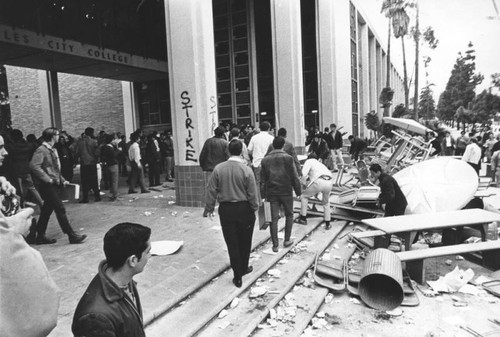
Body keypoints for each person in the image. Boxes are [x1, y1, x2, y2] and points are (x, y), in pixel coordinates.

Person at [72, 222, 151, 337]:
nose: (150, 256)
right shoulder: (95, 318)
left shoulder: (124, 280)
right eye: (148, 252)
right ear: (133, 260)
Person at [204, 140, 259, 288]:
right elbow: (253, 193)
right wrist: (254, 207)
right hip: (244, 209)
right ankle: (244, 267)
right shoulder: (246, 170)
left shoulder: (218, 169)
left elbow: (211, 190)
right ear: (241, 151)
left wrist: (209, 208)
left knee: (232, 243)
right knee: (245, 241)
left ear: (228, 151)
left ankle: (237, 275)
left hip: (226, 210)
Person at [29, 127, 87, 244]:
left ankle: (39, 235)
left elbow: (54, 169)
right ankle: (71, 235)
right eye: (56, 135)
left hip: (52, 184)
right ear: (51, 136)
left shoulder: (51, 149)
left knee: (46, 210)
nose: (58, 137)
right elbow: (34, 165)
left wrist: (62, 180)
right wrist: (48, 179)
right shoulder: (42, 150)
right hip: (47, 186)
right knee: (60, 208)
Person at [261, 137, 301, 252]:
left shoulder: (265, 160)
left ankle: (275, 245)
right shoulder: (288, 158)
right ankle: (287, 240)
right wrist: (298, 191)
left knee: (273, 219)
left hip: (272, 192)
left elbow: (262, 180)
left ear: (273, 145)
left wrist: (263, 195)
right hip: (286, 191)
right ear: (283, 145)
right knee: (289, 214)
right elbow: (294, 176)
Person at [294, 153, 333, 229]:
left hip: (319, 181)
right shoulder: (320, 164)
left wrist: (301, 187)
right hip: (329, 182)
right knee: (326, 203)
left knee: (304, 197)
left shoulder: (309, 161)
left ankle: (303, 218)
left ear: (308, 158)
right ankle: (328, 223)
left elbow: (303, 175)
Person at [247, 121, 274, 197]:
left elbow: (249, 150)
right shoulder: (271, 138)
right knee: (268, 182)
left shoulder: (254, 138)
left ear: (259, 128)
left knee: (258, 182)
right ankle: (268, 200)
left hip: (257, 163)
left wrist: (254, 155)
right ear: (269, 128)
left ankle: (259, 201)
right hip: (269, 164)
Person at [74, 127, 101, 203]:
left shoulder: (79, 142)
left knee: (84, 181)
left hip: (84, 163)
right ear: (92, 133)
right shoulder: (94, 142)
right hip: (92, 163)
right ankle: (97, 196)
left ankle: (85, 198)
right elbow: (97, 153)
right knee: (94, 181)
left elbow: (76, 152)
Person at [100, 134, 121, 201]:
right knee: (114, 181)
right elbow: (113, 155)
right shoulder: (110, 148)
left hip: (107, 165)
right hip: (113, 165)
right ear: (111, 140)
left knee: (111, 181)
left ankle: (112, 194)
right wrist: (118, 150)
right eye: (115, 139)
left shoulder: (104, 147)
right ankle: (115, 195)